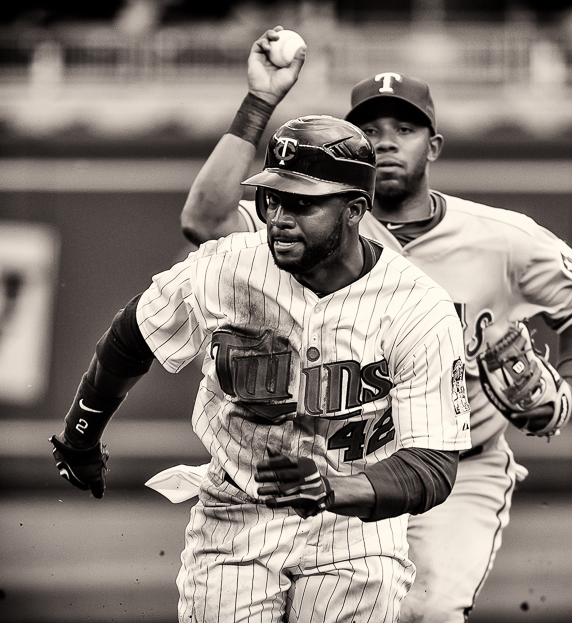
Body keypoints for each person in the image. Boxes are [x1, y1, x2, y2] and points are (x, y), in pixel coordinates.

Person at [179, 27, 572, 622]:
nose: (385, 143)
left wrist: (568, 385)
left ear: (433, 147)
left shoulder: (502, 237)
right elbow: (205, 221)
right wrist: (259, 103)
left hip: (459, 463)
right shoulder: (306, 225)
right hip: (331, 459)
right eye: (370, 132)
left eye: (403, 130)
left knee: (428, 611)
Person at [48, 113, 473, 623]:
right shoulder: (227, 266)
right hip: (236, 514)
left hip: (356, 530)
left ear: (356, 209)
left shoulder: (417, 307)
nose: (279, 218)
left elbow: (432, 468)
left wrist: (332, 488)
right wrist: (81, 435)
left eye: (303, 204)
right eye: (273, 198)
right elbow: (129, 339)